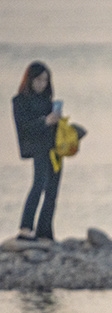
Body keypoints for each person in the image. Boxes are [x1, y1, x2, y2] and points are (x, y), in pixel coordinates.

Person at [12, 61, 61, 242]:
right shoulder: (20, 101)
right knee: (38, 185)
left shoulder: (48, 100)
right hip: (38, 148)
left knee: (52, 190)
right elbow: (24, 127)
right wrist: (45, 122)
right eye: (39, 80)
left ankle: (45, 231)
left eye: (45, 80)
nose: (42, 84)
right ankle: (25, 228)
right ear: (30, 80)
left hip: (54, 148)